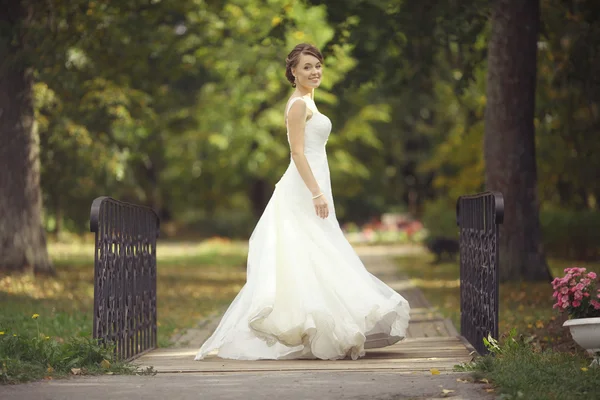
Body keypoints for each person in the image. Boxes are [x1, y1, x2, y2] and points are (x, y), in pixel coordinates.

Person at [194, 43, 410, 361]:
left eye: (318, 65)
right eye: (307, 66)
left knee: (319, 251)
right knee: (316, 250)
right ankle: (325, 329)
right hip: (304, 187)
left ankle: (331, 327)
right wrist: (316, 193)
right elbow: (296, 152)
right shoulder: (297, 105)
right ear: (293, 72)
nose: (315, 71)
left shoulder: (309, 100)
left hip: (316, 181)